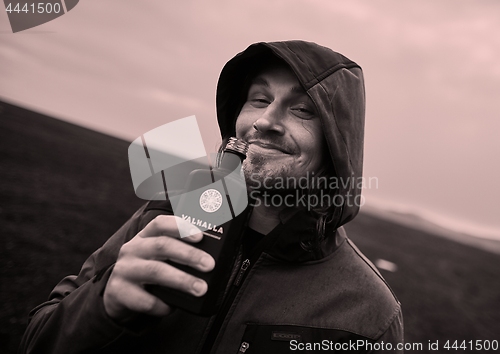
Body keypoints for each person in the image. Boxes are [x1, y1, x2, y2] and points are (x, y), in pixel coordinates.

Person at [20, 40, 404, 353]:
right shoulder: (163, 217)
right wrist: (102, 305)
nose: (265, 121)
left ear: (337, 147)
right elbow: (36, 340)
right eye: (258, 99)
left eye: (302, 110)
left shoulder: (367, 311)